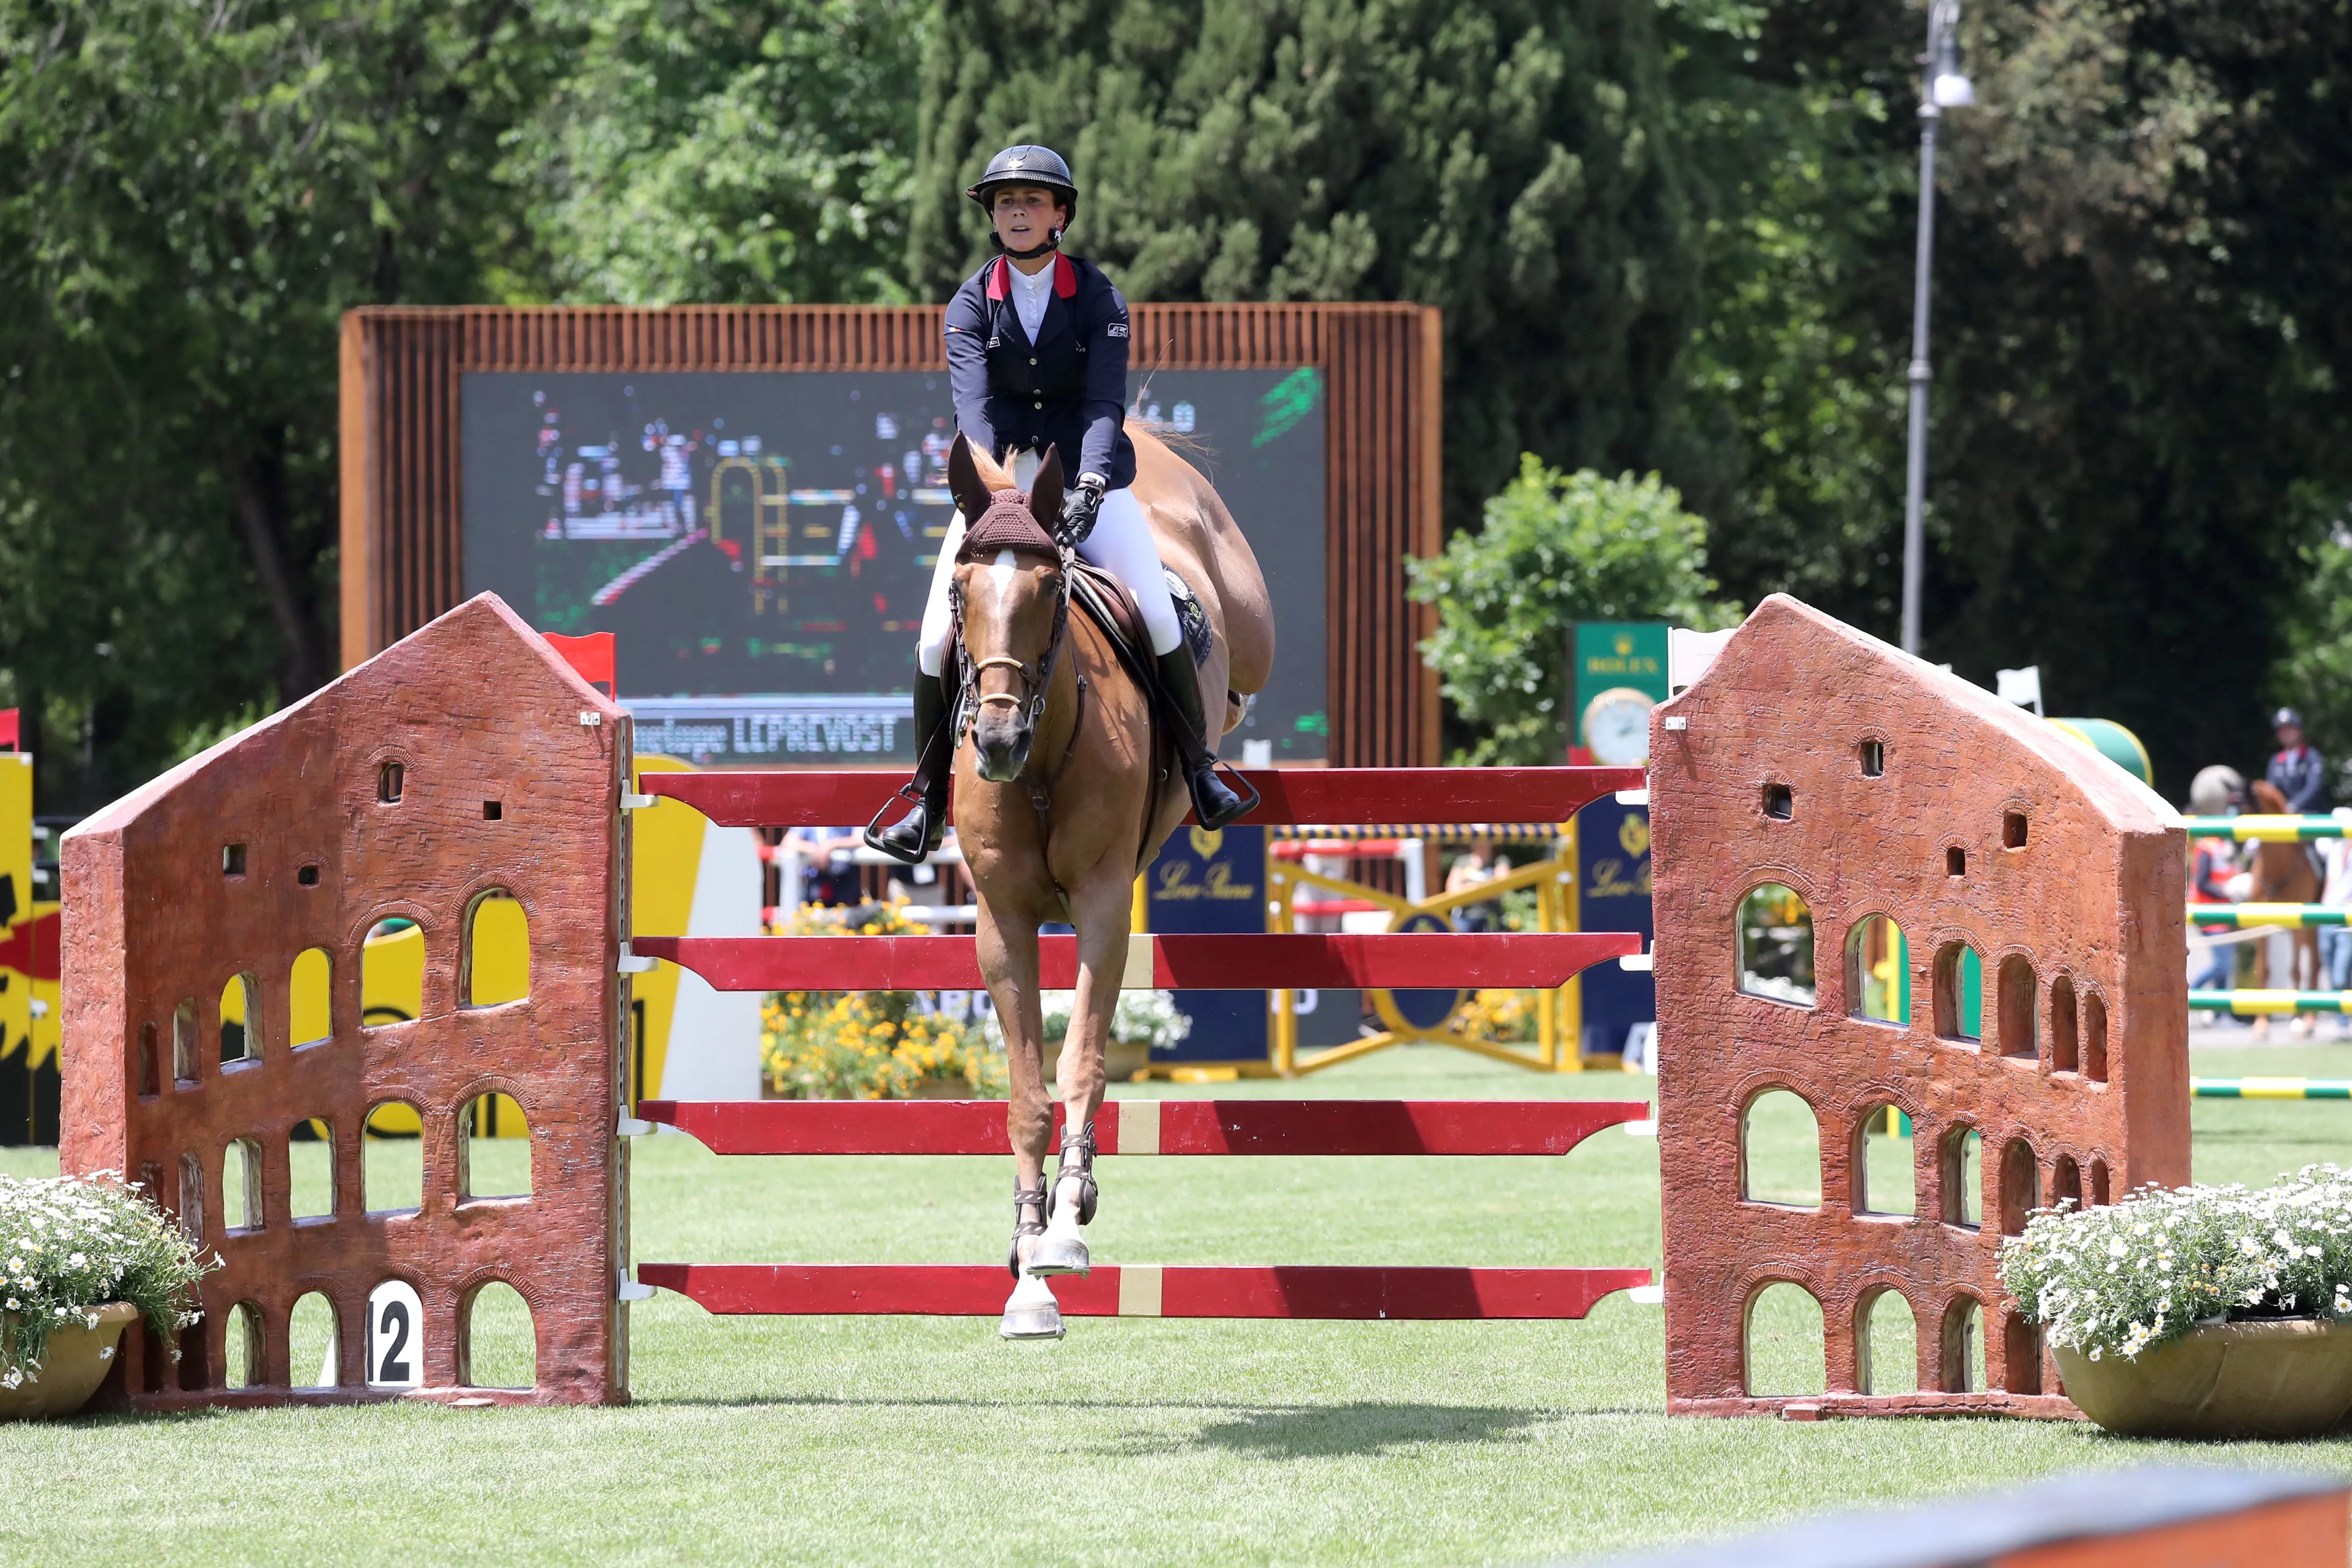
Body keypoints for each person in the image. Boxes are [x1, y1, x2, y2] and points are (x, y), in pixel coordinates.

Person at [866, 145, 1242, 862]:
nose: (1017, 212)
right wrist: (995, 497)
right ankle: (927, 800)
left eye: (1031, 201)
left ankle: (1199, 767)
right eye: (1005, 202)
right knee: (934, 638)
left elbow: (1103, 403)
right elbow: (974, 410)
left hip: (1090, 483)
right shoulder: (971, 304)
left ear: (1059, 214)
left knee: (1157, 609)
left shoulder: (1098, 298)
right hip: (1002, 488)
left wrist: (1093, 483)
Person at [2186, 764, 2246, 1009]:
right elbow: (2202, 882)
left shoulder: (2224, 845)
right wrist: (2226, 892)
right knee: (2223, 964)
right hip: (2208, 911)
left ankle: (2222, 1014)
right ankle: (2190, 995)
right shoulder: (2208, 846)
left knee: (2226, 965)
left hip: (2222, 911)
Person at [2268, 708, 2327, 815]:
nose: (2286, 734)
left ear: (2299, 731)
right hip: (2284, 818)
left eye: (2289, 729)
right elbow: (2271, 791)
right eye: (2282, 730)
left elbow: (2314, 787)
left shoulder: (2311, 756)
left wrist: (2293, 806)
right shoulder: (2275, 761)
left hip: (2311, 816)